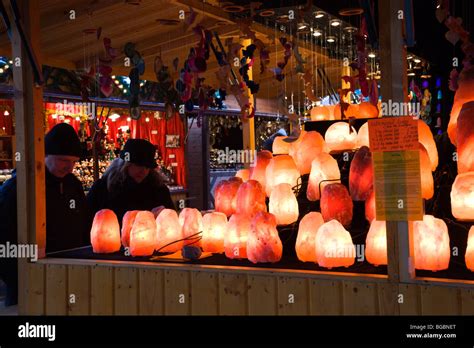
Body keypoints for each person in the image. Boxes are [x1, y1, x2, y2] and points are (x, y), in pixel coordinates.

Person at [0, 123, 91, 306]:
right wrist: (17, 278)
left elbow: (84, 225)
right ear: (44, 155)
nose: (70, 167)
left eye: (74, 162)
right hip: (27, 283)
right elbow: (3, 237)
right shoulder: (16, 189)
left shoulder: (73, 184)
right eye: (63, 160)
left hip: (70, 277)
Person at [87, 139, 175, 223]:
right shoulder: (103, 188)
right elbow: (87, 220)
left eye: (147, 167)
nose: (143, 171)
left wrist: (163, 216)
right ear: (125, 164)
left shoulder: (158, 189)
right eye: (138, 164)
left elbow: (172, 222)